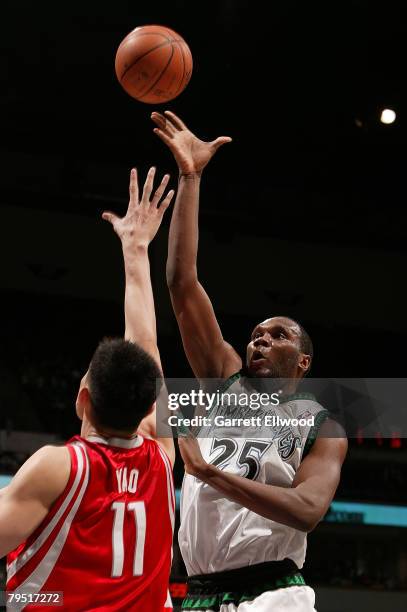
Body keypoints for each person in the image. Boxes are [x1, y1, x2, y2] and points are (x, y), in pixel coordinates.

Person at [151, 110, 348, 612]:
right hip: (197, 593)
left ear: (303, 363)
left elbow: (306, 511)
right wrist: (190, 178)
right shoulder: (223, 379)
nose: (259, 340)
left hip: (273, 593)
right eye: (256, 334)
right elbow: (180, 283)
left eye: (277, 336)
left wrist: (209, 473)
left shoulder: (322, 428)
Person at [1, 167, 175, 611]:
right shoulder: (163, 453)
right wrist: (136, 250)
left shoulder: (57, 467)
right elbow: (147, 345)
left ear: (82, 397)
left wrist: (134, 247)